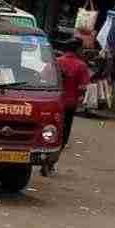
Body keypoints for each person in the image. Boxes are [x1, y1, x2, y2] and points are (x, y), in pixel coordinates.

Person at [43, 38, 92, 176]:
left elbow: (44, 78)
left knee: (48, 133)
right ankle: (50, 164)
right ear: (78, 49)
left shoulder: (56, 61)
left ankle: (45, 160)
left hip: (53, 104)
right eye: (82, 49)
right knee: (62, 136)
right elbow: (83, 87)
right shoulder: (81, 66)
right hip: (69, 105)